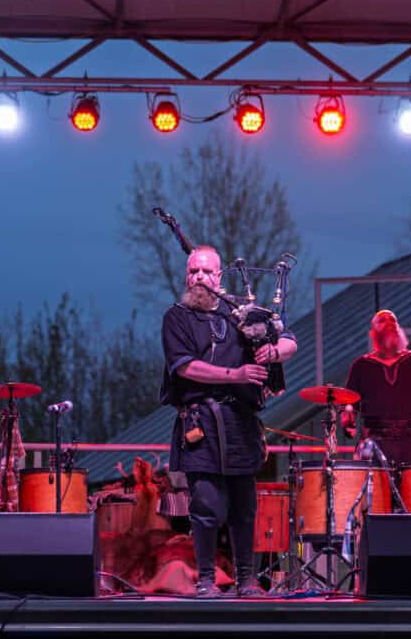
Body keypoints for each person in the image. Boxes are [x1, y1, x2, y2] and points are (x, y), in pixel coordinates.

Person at [160, 245, 298, 597]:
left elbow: (289, 339)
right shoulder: (177, 317)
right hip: (200, 421)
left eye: (206, 272)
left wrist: (272, 351)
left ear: (219, 277)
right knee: (205, 505)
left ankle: (246, 580)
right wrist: (235, 374)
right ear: (186, 275)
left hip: (240, 420)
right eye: (193, 272)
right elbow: (186, 366)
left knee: (243, 508)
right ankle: (206, 580)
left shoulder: (238, 312)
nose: (199, 278)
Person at [340, 310, 411, 466]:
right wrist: (347, 422)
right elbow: (348, 408)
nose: (389, 323)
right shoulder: (361, 366)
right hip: (373, 447)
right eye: (382, 320)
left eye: (393, 320)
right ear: (373, 333)